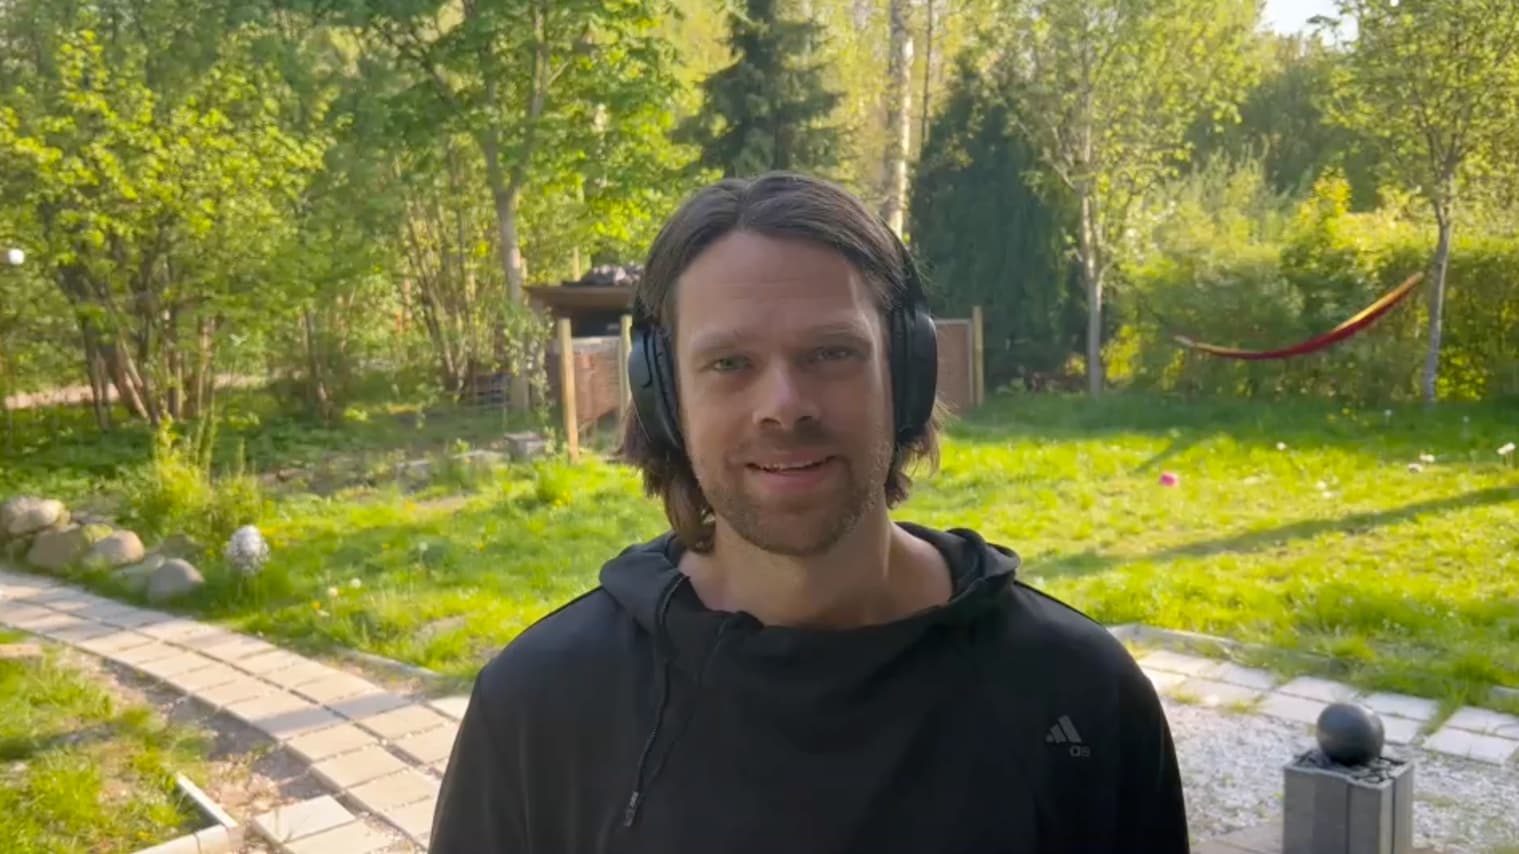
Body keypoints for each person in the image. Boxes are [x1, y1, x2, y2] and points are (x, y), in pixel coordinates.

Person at [429, 171, 1190, 853]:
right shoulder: (541, 707)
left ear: (907, 372)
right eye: (730, 363)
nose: (784, 406)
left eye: (831, 353)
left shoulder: (1079, 694)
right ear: (665, 400)